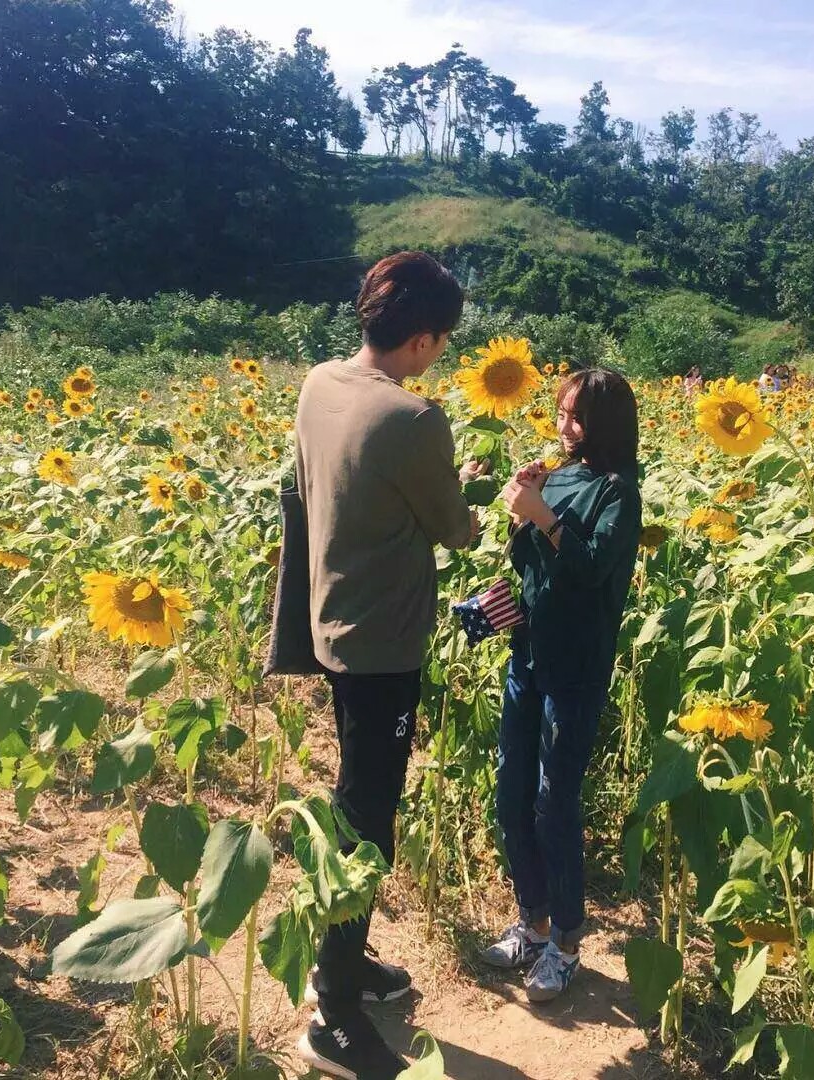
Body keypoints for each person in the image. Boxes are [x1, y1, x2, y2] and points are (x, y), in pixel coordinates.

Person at [294, 251, 481, 1079]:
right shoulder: (414, 418)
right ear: (425, 338)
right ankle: (332, 1011)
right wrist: (467, 492)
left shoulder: (319, 383)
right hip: (382, 645)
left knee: (352, 799)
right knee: (369, 819)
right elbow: (458, 532)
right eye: (441, 342)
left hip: (330, 619)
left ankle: (347, 960)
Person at [482, 369, 642, 1003]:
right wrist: (523, 510)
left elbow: (594, 569)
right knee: (511, 787)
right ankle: (532, 918)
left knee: (555, 800)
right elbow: (530, 566)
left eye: (576, 417)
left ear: (605, 424)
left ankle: (567, 941)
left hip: (576, 665)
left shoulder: (617, 492)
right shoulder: (560, 475)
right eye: (560, 412)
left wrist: (544, 517)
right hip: (528, 654)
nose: (564, 426)